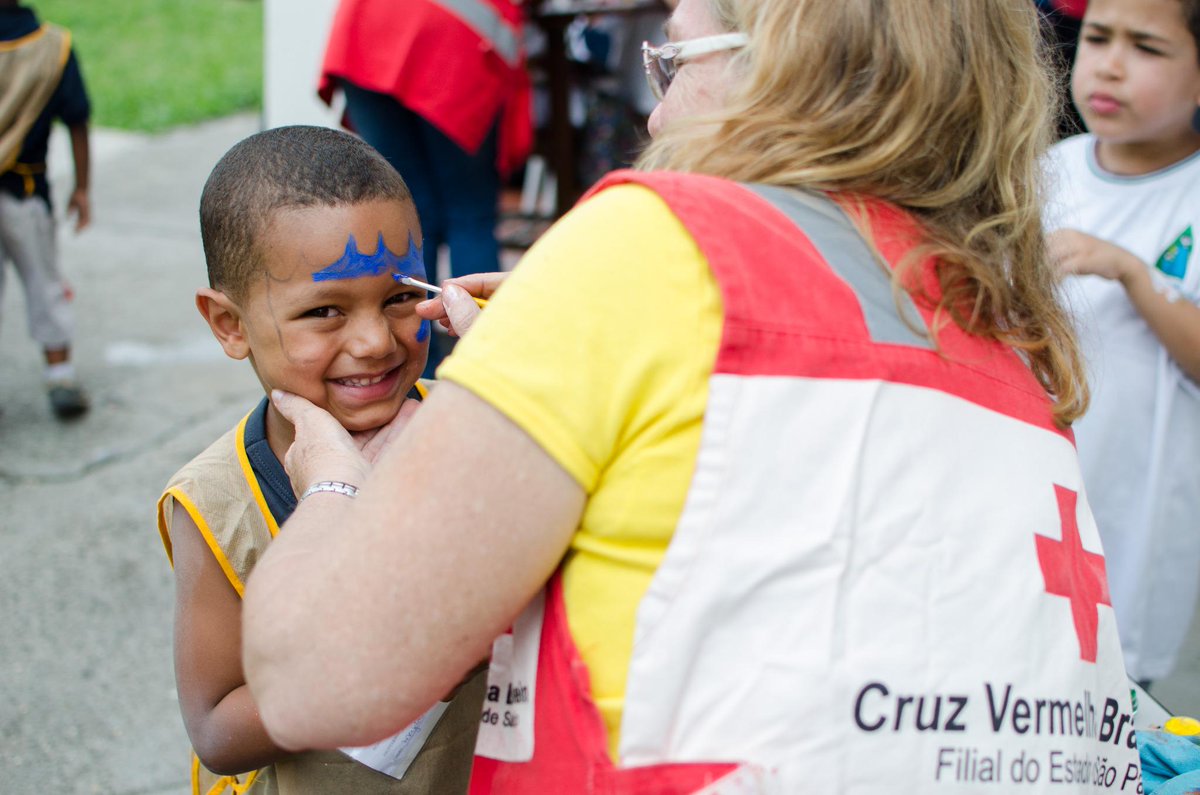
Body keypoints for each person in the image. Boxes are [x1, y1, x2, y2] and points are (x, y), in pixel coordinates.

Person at [244, 1, 1143, 791]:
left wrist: (327, 475)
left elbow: (314, 679)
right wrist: (545, 362)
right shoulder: (1009, 334)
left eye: (673, 59)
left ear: (777, 62)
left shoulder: (650, 249)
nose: (658, 112)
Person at [155, 126, 485, 795]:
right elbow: (217, 729)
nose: (373, 341)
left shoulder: (477, 424)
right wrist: (405, 657)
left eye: (399, 298)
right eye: (325, 311)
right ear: (229, 323)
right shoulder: (218, 501)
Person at [1045, 0, 1200, 688]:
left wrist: (1133, 272)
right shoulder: (1052, 167)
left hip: (1138, 510)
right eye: (1099, 38)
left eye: (1147, 47)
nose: (1109, 63)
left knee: (1111, 687)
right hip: (1046, 486)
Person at [318, 0, 532, 377]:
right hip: (455, 36)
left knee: (408, 209)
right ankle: (489, 372)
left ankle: (410, 373)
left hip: (367, 27)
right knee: (470, 213)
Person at [0, 0, 91, 419]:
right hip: (26, 190)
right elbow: (77, 119)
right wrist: (83, 187)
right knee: (44, 283)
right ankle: (61, 376)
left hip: (23, 189)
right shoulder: (52, 45)